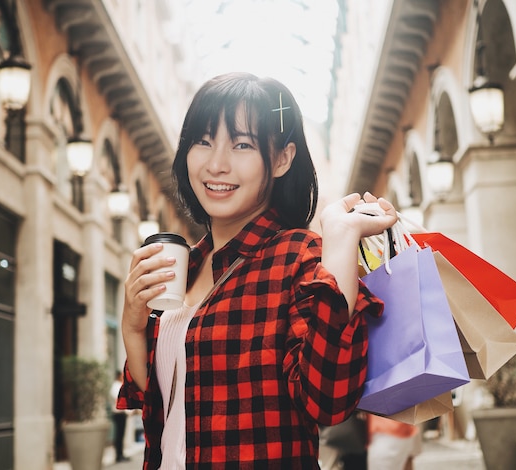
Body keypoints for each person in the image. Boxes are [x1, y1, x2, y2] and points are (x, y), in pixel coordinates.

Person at [117, 72, 398, 469]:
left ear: (282, 158)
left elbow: (328, 401)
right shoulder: (185, 265)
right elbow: (168, 402)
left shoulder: (299, 257)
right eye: (203, 141)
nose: (217, 164)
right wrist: (132, 325)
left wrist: (339, 240)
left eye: (242, 144)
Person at [110, 370, 130, 463]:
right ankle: (119, 455)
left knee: (121, 435)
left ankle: (120, 454)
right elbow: (118, 399)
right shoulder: (116, 386)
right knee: (119, 435)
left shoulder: (117, 385)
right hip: (119, 414)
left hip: (120, 414)